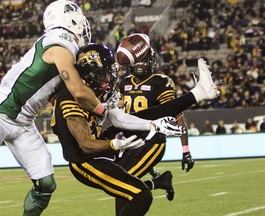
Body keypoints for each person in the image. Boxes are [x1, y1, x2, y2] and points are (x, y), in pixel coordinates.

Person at [52, 43, 219, 216]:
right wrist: (115, 145)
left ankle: (200, 92)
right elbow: (85, 144)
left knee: (148, 115)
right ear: (88, 74)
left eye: (109, 74)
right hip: (85, 161)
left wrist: (153, 125)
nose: (108, 80)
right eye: (103, 75)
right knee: (141, 196)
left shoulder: (94, 88)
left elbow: (119, 119)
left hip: (100, 146)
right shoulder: (70, 98)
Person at [0, 1, 105, 215]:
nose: (83, 25)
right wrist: (102, 111)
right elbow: (79, 91)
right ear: (70, 20)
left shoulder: (61, 46)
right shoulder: (61, 43)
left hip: (24, 124)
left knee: (46, 184)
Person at [118, 46, 193, 196]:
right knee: (116, 178)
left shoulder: (160, 82)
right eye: (138, 60)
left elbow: (177, 115)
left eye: (144, 60)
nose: (140, 64)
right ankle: (160, 180)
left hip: (153, 140)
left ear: (151, 61)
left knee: (123, 182)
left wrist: (186, 151)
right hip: (130, 140)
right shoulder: (124, 83)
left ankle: (158, 179)